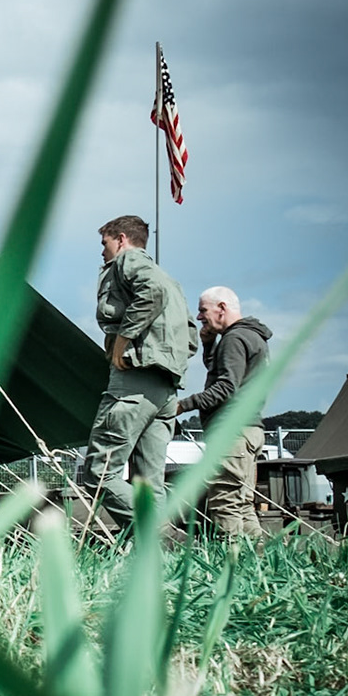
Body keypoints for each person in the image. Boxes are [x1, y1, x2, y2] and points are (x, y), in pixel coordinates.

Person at [76, 215, 198, 535]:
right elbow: (192, 336)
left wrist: (123, 341)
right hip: (166, 389)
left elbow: (150, 290)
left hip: (133, 382)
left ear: (120, 239)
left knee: (99, 475)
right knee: (149, 485)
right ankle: (160, 563)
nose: (102, 252)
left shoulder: (128, 262)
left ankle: (162, 535)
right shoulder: (171, 280)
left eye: (104, 244)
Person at [176, 286, 272, 535]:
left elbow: (226, 386)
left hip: (232, 433)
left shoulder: (234, 338)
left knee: (224, 503)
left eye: (202, 310)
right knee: (242, 505)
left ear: (222, 308)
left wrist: (182, 405)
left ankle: (232, 566)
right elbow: (225, 371)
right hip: (250, 430)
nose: (199, 318)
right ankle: (257, 563)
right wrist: (209, 346)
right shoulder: (251, 337)